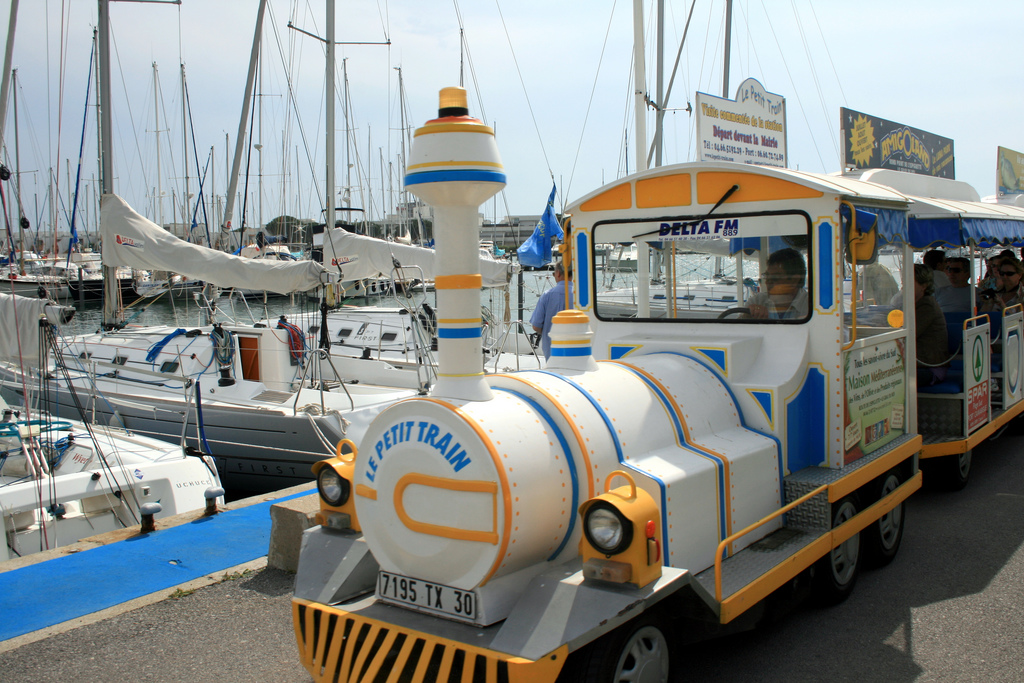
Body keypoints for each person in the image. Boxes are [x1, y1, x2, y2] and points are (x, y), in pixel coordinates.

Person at [913, 264, 949, 387]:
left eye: (909, 281)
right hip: (917, 365)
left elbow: (909, 332)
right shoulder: (913, 304)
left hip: (930, 368)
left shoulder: (927, 305)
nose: (903, 285)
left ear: (924, 286)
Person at [748, 247, 808, 320]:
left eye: (774, 277)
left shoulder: (811, 306)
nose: (768, 282)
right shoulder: (757, 301)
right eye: (767, 276)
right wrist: (747, 316)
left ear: (794, 280)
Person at [531, 261, 573, 360]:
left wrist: (547, 330)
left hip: (551, 350)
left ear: (558, 273)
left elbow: (536, 326)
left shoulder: (547, 296)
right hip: (575, 349)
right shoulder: (581, 297)